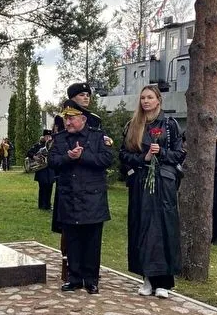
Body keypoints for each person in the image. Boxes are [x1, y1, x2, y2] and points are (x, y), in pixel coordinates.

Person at [119, 84, 185, 299]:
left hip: (163, 183)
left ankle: (164, 281)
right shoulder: (132, 125)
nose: (145, 101)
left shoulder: (169, 124)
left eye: (149, 97)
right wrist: (143, 158)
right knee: (142, 226)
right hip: (140, 181)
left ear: (158, 100)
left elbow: (179, 154)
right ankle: (146, 277)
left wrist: (162, 152)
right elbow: (123, 155)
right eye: (142, 98)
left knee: (163, 227)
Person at [48, 104, 113, 295]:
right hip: (69, 197)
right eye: (66, 118)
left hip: (92, 198)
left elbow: (107, 159)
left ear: (83, 119)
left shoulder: (97, 137)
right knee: (73, 240)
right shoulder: (60, 139)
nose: (67, 122)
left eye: (72, 118)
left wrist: (83, 155)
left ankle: (91, 280)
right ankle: (74, 278)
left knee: (92, 241)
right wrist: (68, 157)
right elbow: (52, 161)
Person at [26, 130, 55, 210]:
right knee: (42, 188)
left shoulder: (53, 145)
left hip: (50, 170)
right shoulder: (38, 145)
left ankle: (48, 205)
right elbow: (29, 153)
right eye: (46, 136)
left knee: (50, 187)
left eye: (49, 137)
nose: (48, 138)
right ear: (43, 137)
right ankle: (41, 205)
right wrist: (35, 157)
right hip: (42, 170)